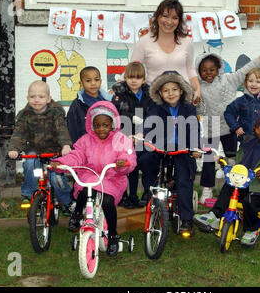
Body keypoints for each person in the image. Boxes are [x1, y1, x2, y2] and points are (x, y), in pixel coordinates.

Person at [193, 105, 260, 246]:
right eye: (258, 127)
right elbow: (240, 162)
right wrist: (227, 163)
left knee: (250, 201)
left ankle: (251, 230)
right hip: (248, 182)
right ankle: (214, 216)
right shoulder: (249, 143)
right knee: (229, 187)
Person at [50, 101, 137, 256]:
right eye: (97, 125)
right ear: (91, 125)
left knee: (107, 202)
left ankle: (112, 235)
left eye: (105, 125)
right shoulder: (85, 140)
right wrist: (62, 163)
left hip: (112, 177)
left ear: (112, 124)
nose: (101, 129)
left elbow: (128, 156)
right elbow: (76, 156)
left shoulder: (121, 140)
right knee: (85, 191)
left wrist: (122, 164)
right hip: (91, 175)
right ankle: (77, 214)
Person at [196, 53, 260, 204]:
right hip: (211, 127)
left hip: (231, 127)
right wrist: (196, 103)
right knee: (209, 160)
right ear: (199, 71)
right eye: (204, 70)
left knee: (233, 158)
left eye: (212, 70)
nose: (208, 73)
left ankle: (233, 188)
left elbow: (243, 71)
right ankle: (207, 189)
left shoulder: (228, 80)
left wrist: (257, 61)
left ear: (218, 69)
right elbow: (198, 109)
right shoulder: (198, 87)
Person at [137, 71, 201, 235]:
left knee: (184, 180)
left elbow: (194, 128)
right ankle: (150, 191)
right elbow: (149, 122)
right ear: (159, 93)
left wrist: (195, 147)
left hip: (182, 148)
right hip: (162, 146)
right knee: (146, 158)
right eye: (166, 90)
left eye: (174, 89)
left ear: (181, 91)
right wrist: (142, 134)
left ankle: (186, 219)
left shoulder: (188, 108)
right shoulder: (157, 107)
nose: (170, 94)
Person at [8, 80, 73, 214]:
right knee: (30, 164)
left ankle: (67, 202)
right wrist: (14, 149)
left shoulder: (56, 112)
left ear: (48, 98)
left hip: (54, 151)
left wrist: (66, 145)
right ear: (27, 98)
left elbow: (61, 130)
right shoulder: (24, 115)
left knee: (57, 177)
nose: (36, 100)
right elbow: (19, 134)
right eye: (32, 97)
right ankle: (28, 194)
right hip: (34, 151)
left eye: (41, 97)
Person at [131, 0, 201, 106]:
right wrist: (118, 89)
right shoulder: (144, 41)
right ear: (157, 17)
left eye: (174, 18)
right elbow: (133, 69)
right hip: (154, 102)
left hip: (182, 101)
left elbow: (190, 69)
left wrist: (198, 90)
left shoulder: (187, 42)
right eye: (165, 16)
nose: (169, 22)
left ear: (179, 21)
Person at [111, 61, 155, 209]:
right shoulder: (119, 94)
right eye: (130, 77)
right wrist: (131, 119)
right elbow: (116, 113)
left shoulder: (150, 94)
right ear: (125, 78)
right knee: (127, 167)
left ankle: (146, 193)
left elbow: (153, 114)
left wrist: (142, 132)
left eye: (137, 77)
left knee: (147, 163)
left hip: (145, 135)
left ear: (143, 79)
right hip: (125, 136)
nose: (134, 80)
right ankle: (127, 196)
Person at [67, 66, 112, 144]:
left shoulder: (109, 102)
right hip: (85, 147)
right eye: (88, 81)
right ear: (81, 83)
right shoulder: (77, 105)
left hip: (106, 146)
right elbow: (72, 129)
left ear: (101, 81)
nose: (93, 83)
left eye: (96, 80)